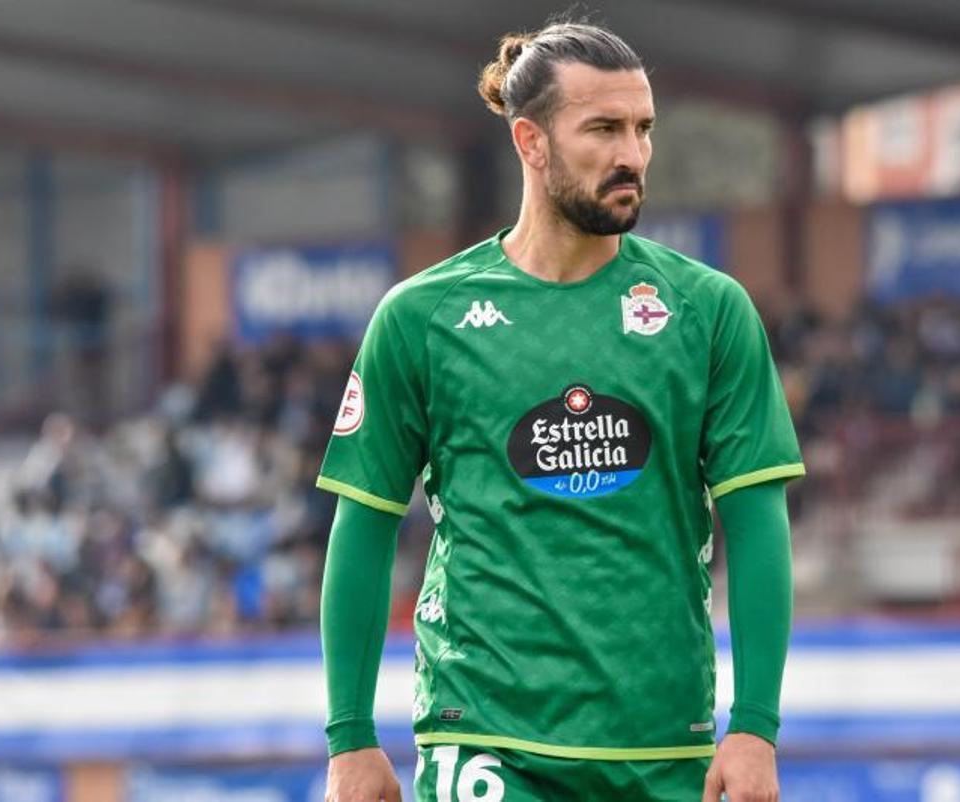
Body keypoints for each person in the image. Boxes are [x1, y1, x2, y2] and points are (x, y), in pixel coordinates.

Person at [318, 20, 803, 802]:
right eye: (603, 129)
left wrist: (754, 725)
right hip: (483, 736)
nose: (632, 156)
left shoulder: (709, 311)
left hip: (662, 742)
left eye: (643, 129)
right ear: (530, 141)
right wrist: (349, 736)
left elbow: (756, 523)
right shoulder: (422, 317)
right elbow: (364, 526)